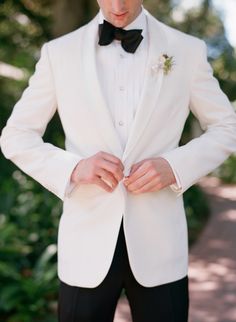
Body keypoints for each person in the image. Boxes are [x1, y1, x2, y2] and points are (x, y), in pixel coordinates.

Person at [1, 0, 236, 321]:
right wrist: (73, 168)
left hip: (161, 249)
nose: (118, 5)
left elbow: (226, 126)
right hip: (85, 247)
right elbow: (15, 135)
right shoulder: (59, 53)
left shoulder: (187, 50)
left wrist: (175, 166)